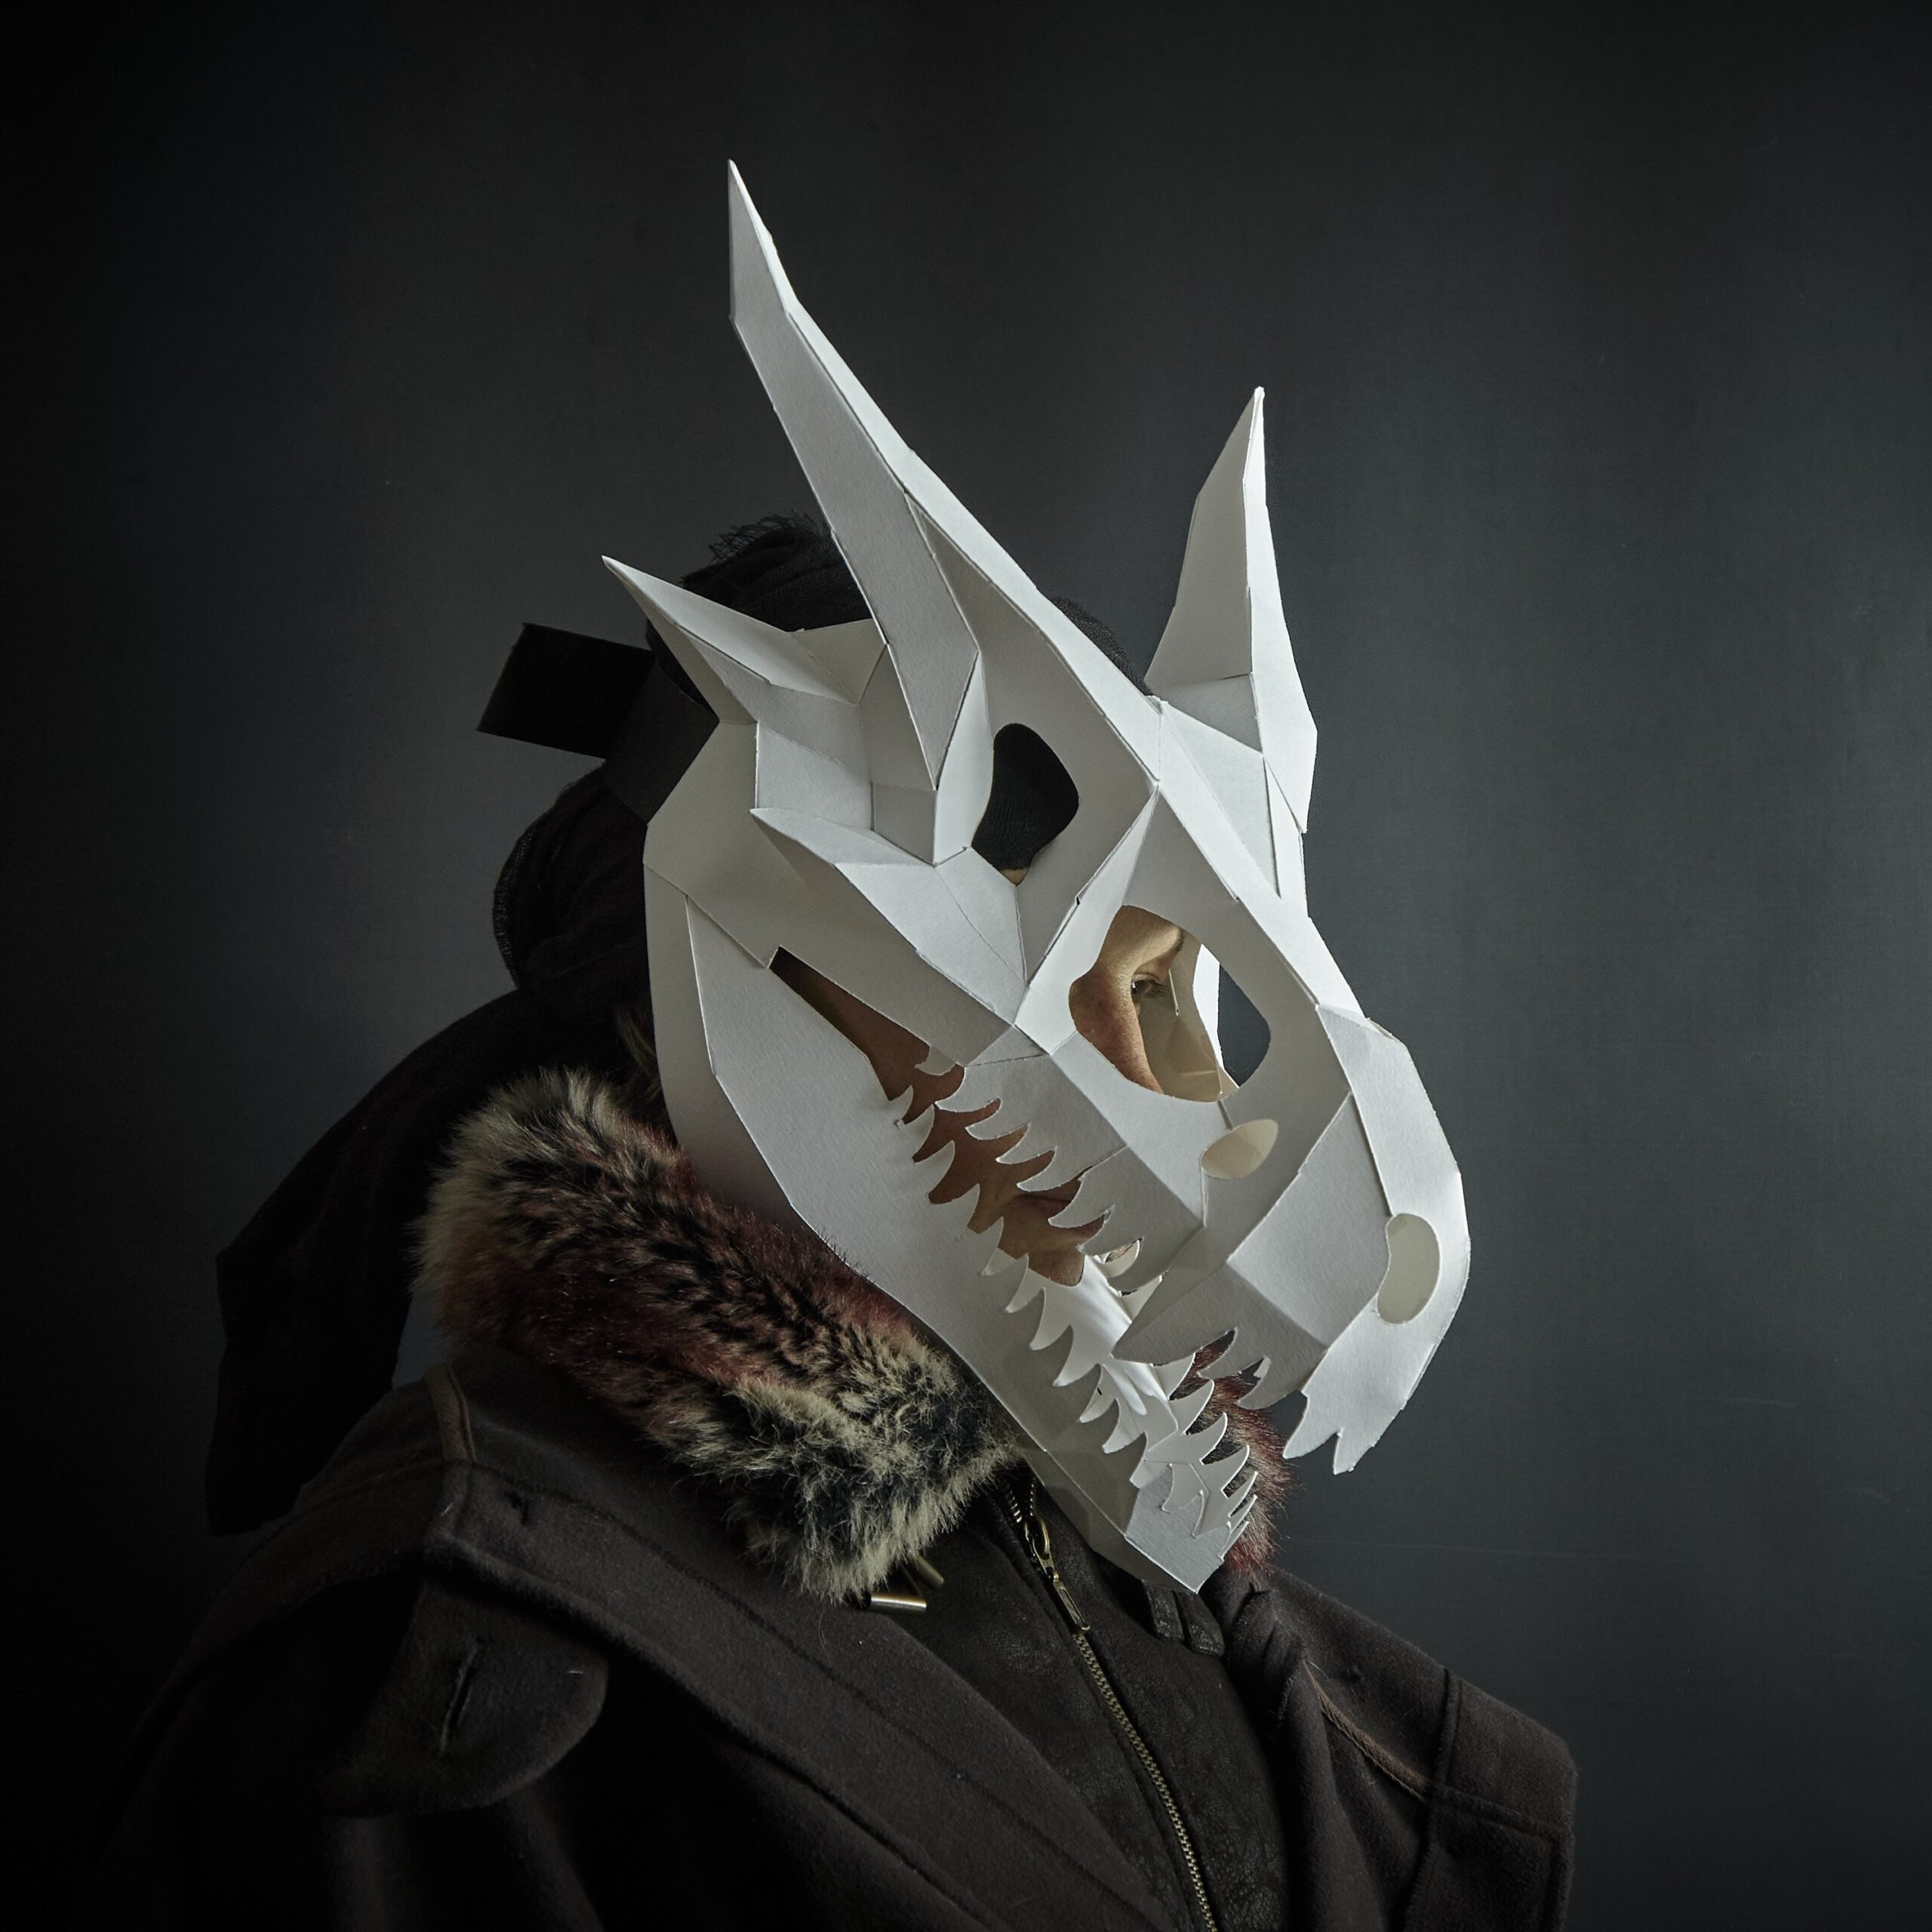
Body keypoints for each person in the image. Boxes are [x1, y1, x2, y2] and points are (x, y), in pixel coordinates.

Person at [78, 177, 1576, 1932]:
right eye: (1065, 957)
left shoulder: (1154, 1592)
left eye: (1172, 990)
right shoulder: (446, 1662)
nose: (1175, 1086)